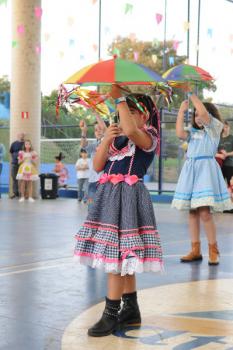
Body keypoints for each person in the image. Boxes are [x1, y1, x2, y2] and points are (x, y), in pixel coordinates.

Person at [74, 85, 163, 337]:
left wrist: (120, 99)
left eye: (131, 111)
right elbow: (98, 165)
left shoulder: (148, 136)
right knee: (123, 258)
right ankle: (131, 307)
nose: (124, 116)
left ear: (144, 116)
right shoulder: (119, 140)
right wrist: (106, 139)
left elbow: (133, 129)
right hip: (108, 200)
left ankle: (111, 314)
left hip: (128, 199)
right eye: (125, 111)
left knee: (117, 258)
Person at [172, 91, 233, 266]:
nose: (198, 116)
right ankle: (195, 249)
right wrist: (181, 112)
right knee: (192, 212)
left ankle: (213, 249)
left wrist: (191, 94)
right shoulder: (192, 132)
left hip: (205, 172)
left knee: (205, 213)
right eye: (195, 114)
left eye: (199, 113)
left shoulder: (214, 128)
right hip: (191, 171)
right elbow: (179, 133)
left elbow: (205, 115)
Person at [80, 116, 107, 208]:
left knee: (104, 209)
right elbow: (84, 145)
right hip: (93, 181)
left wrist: (96, 112)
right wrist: (84, 131)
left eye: (100, 128)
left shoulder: (111, 143)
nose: (98, 131)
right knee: (92, 209)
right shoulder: (95, 145)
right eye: (96, 130)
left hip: (105, 182)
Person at [9, 133, 25, 198]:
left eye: (23, 135)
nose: (21, 136)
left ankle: (22, 193)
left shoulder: (25, 144)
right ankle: (15, 193)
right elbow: (11, 152)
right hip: (14, 163)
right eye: (20, 135)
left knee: (22, 179)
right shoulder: (14, 143)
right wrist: (14, 158)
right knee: (14, 178)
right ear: (17, 135)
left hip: (23, 164)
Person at [218, 121, 233, 185]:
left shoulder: (232, 138)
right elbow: (213, 151)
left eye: (227, 127)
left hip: (230, 165)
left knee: (230, 184)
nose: (225, 129)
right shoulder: (218, 138)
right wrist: (220, 154)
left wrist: (226, 154)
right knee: (219, 184)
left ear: (229, 128)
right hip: (219, 165)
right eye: (224, 127)